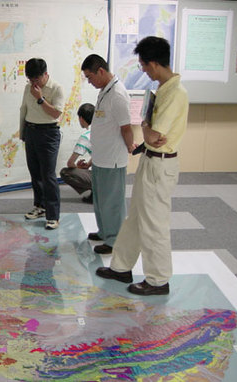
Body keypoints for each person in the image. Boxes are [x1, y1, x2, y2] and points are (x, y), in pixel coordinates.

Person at [96, 36, 189, 296]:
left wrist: (146, 128)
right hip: (150, 160)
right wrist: (148, 131)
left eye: (144, 66)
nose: (144, 71)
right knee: (135, 218)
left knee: (154, 224)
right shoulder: (163, 89)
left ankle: (158, 280)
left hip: (161, 166)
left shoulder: (175, 94)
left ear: (155, 64)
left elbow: (151, 133)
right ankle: (121, 267)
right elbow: (149, 136)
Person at [81, 54, 135, 254]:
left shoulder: (118, 94)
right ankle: (104, 232)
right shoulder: (105, 90)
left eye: (90, 77)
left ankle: (114, 241)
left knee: (112, 202)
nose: (89, 81)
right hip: (101, 157)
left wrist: (130, 146)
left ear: (101, 71)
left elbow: (126, 127)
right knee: (101, 199)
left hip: (112, 159)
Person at [20, 58, 65, 230]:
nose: (33, 83)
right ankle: (39, 206)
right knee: (34, 172)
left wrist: (40, 98)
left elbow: (55, 113)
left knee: (48, 175)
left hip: (48, 133)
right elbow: (24, 109)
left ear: (45, 74)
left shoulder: (56, 88)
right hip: (31, 131)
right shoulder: (27, 87)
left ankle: (53, 215)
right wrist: (23, 132)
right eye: (30, 79)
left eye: (36, 79)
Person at [59, 103, 94, 204]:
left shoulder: (85, 137)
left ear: (81, 118)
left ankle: (96, 190)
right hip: (114, 175)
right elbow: (100, 154)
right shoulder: (103, 131)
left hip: (100, 176)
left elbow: (70, 163)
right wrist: (88, 164)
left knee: (65, 172)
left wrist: (78, 168)